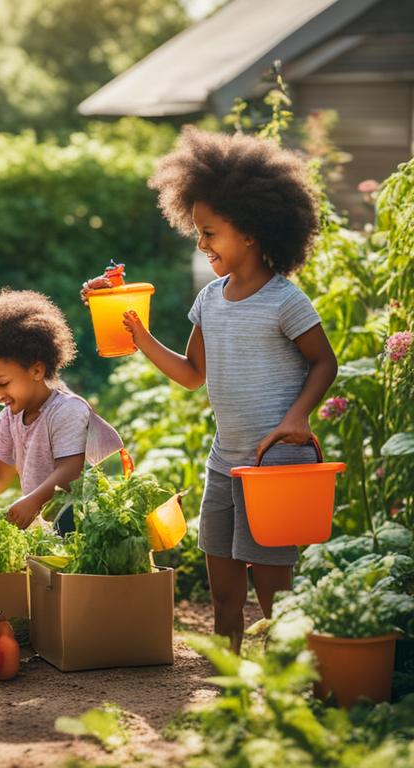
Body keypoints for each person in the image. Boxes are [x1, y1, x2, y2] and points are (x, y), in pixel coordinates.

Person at [82, 127, 338, 652]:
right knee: (223, 589)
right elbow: (192, 372)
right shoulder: (211, 299)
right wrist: (140, 336)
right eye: (197, 231)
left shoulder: (285, 301)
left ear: (250, 230)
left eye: (210, 232)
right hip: (225, 463)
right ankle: (230, 683)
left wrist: (298, 417)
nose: (201, 243)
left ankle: (288, 681)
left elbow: (324, 363)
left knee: (272, 592)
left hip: (275, 465)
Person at [0, 289, 121, 531]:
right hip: (45, 527)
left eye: (1, 383)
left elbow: (70, 472)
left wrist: (32, 501)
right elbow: (0, 475)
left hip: (83, 524)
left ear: (37, 371)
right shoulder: (7, 419)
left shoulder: (66, 410)